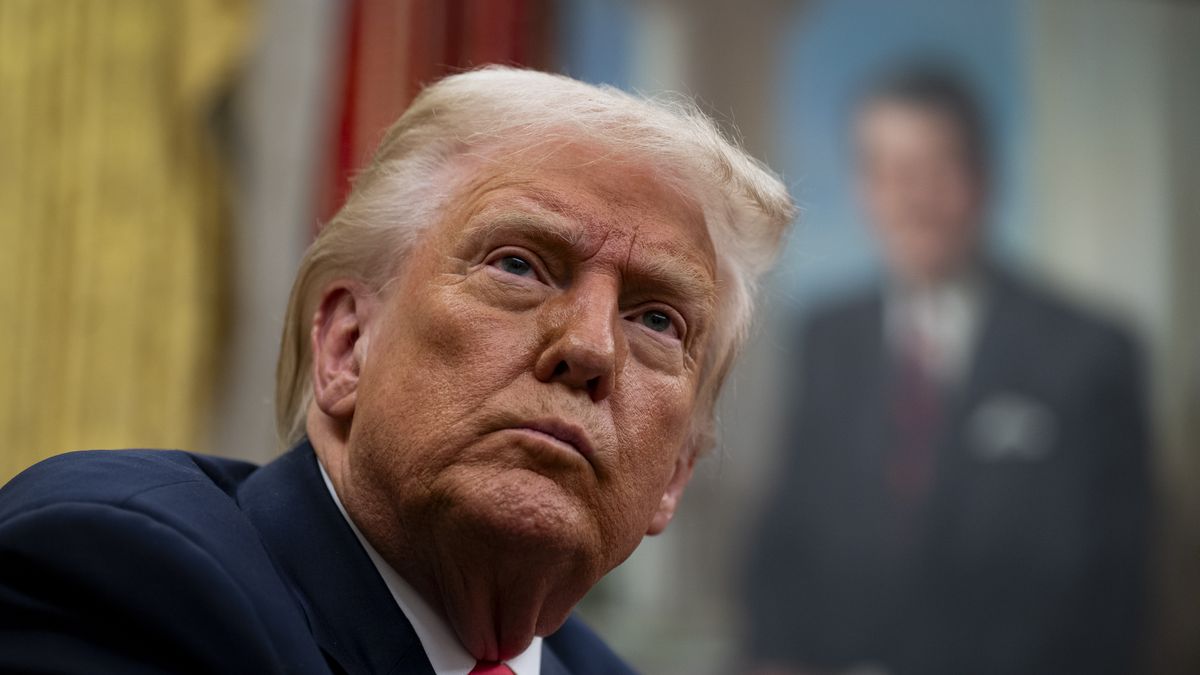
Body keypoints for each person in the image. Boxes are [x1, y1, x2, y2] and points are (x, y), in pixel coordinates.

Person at [0, 67, 795, 674]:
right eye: (519, 265)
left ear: (675, 475)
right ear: (347, 343)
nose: (590, 348)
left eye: (657, 320)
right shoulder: (128, 580)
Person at [744, 66, 1152, 675]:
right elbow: (786, 534)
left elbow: (1119, 587)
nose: (913, 198)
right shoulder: (826, 337)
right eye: (888, 172)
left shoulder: (1089, 352)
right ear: (864, 188)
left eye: (935, 169)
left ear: (982, 177)